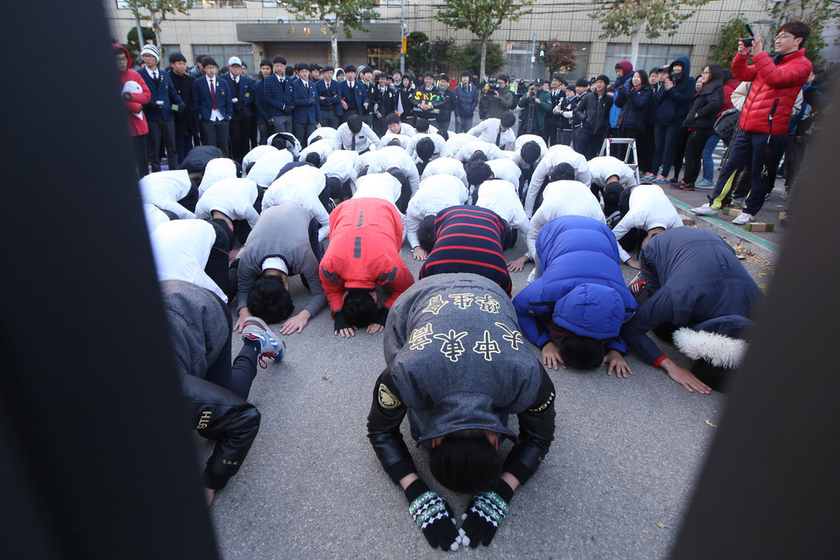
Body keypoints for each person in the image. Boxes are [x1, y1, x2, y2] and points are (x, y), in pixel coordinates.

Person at [367, 273, 556, 551]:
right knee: (415, 409)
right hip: (420, 299)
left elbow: (540, 438)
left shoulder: (526, 373)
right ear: (494, 441)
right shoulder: (405, 370)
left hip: (489, 292)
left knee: (419, 411)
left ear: (436, 440)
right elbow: (380, 429)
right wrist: (415, 490)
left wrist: (503, 491)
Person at [161, 279, 271, 506]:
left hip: (202, 311)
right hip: (166, 306)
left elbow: (244, 419)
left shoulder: (166, 391)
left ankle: (255, 342)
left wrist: (211, 480)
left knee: (213, 428)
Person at [691, 21, 813, 225]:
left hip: (771, 129)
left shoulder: (802, 65)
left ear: (798, 40)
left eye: (784, 36)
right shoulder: (770, 60)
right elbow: (742, 74)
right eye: (778, 35)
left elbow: (776, 79)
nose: (778, 39)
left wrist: (759, 55)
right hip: (747, 124)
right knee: (731, 166)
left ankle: (750, 210)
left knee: (759, 171)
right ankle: (715, 204)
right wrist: (743, 54)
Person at [620, 227, 761, 393]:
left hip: (715, 240)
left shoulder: (760, 307)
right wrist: (671, 366)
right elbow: (631, 329)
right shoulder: (678, 297)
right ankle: (641, 285)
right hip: (659, 245)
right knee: (664, 328)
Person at [513, 216, 637, 375]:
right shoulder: (547, 289)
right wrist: (544, 343)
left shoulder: (625, 303)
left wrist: (616, 348)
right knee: (543, 274)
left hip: (602, 232)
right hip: (555, 232)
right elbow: (518, 307)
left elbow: (632, 322)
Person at [319, 197, 414, 337]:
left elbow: (407, 288)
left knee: (393, 264)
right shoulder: (328, 265)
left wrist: (384, 313)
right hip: (349, 208)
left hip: (380, 209)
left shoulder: (391, 264)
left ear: (375, 297)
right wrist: (338, 314)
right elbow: (406, 288)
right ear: (375, 297)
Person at [233, 204, 327, 335]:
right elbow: (243, 288)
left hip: (301, 214)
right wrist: (243, 310)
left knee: (312, 279)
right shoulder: (248, 258)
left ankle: (319, 252)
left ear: (287, 287)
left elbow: (321, 293)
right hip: (270, 214)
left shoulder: (302, 254)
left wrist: (305, 314)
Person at [506, 165, 606, 274]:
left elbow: (532, 235)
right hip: (594, 240)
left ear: (551, 175)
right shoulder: (585, 190)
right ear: (575, 176)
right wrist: (526, 258)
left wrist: (539, 262)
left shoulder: (548, 207)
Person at [419, 206, 514, 296]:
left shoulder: (442, 214)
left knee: (426, 277)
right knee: (502, 283)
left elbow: (422, 286)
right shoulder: (497, 219)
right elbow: (505, 295)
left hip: (443, 257)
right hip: (491, 267)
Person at [671, 64, 723, 191]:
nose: (703, 75)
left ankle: (687, 181)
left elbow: (715, 104)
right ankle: (689, 181)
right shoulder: (710, 88)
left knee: (690, 154)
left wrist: (699, 113)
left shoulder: (712, 89)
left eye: (706, 73)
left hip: (701, 126)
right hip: (699, 125)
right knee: (695, 154)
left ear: (713, 74)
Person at [609, 183, 683, 265]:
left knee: (639, 241)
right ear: (645, 241)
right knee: (627, 244)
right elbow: (611, 237)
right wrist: (629, 260)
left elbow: (682, 246)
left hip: (655, 191)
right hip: (632, 193)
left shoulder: (675, 222)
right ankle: (615, 219)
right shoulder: (636, 216)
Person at [651, 57, 696, 182]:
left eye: (679, 66)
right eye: (674, 66)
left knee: (668, 148)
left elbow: (685, 100)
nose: (676, 69)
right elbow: (658, 99)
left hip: (675, 119)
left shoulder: (689, 81)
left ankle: (664, 174)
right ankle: (653, 171)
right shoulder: (669, 80)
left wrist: (671, 89)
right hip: (661, 118)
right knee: (658, 147)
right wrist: (666, 88)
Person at [405, 175, 469, 260]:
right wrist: (416, 247)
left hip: (457, 184)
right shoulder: (414, 207)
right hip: (428, 181)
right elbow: (411, 230)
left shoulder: (453, 211)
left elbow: (459, 234)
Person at [523, 144, 592, 217]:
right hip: (555, 150)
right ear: (552, 172)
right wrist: (528, 215)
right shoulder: (546, 163)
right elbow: (533, 188)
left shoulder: (582, 167)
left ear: (575, 176)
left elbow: (586, 192)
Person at [114, 44, 151, 178]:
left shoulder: (133, 74)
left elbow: (146, 96)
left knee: (143, 162)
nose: (122, 62)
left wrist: (130, 96)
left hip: (138, 125)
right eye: (118, 60)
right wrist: (134, 106)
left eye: (124, 59)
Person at [193, 57, 233, 156]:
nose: (211, 70)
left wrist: (229, 115)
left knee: (224, 143)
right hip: (208, 117)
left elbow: (228, 100)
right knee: (211, 144)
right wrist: (200, 114)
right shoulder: (198, 82)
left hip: (222, 116)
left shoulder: (223, 82)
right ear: (204, 69)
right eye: (209, 67)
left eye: (214, 67)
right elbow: (196, 100)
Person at [220, 57, 255, 163]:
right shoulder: (223, 79)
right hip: (232, 113)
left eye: (238, 67)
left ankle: (245, 159)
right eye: (234, 67)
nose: (236, 70)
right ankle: (236, 159)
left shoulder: (246, 80)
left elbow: (251, 95)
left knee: (245, 138)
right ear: (229, 67)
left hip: (245, 112)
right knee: (235, 138)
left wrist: (244, 101)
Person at [168, 52, 199, 161]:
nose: (182, 66)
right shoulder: (168, 79)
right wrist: (176, 109)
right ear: (172, 64)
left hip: (189, 118)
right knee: (178, 146)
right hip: (175, 119)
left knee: (189, 146)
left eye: (184, 64)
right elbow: (168, 101)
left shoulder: (189, 80)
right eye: (179, 64)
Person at [614, 70, 651, 160]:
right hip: (622, 123)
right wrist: (621, 94)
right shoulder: (629, 89)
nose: (635, 79)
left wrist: (633, 94)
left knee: (630, 150)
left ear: (643, 79)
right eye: (634, 77)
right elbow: (618, 104)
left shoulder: (646, 91)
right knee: (620, 148)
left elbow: (640, 104)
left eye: (638, 77)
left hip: (634, 125)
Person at [573, 75, 613, 160]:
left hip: (600, 131)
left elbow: (610, 113)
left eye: (601, 82)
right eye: (597, 82)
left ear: (606, 84)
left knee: (593, 154)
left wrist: (605, 123)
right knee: (581, 153)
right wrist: (585, 119)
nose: (599, 84)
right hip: (587, 129)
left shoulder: (609, 99)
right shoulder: (588, 97)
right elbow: (577, 110)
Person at [290, 62, 321, 147]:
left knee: (311, 139)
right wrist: (308, 101)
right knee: (300, 139)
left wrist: (318, 117)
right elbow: (295, 101)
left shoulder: (312, 85)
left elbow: (316, 102)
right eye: (302, 71)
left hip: (311, 117)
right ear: (298, 73)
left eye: (306, 71)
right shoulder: (295, 84)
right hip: (299, 118)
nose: (305, 73)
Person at [265, 55, 293, 133]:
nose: (279, 68)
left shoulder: (288, 80)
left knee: (289, 136)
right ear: (274, 66)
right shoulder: (269, 80)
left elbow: (292, 95)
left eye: (281, 66)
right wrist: (282, 106)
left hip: (288, 114)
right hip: (277, 114)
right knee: (281, 136)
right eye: (277, 66)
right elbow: (268, 98)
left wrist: (291, 106)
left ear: (285, 66)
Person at [372, 71, 397, 137]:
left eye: (383, 79)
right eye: (380, 79)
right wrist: (376, 112)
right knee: (376, 134)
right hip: (377, 116)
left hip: (387, 115)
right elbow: (372, 101)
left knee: (385, 134)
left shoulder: (390, 90)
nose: (382, 81)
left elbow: (393, 103)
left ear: (386, 80)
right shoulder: (375, 89)